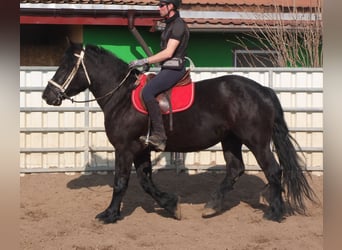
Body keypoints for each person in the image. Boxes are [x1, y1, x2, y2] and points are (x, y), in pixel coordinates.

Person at [129, 0, 190, 152]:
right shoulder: (170, 24)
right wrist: (148, 64)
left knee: (148, 92)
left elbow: (168, 53)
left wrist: (144, 60)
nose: (159, 8)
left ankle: (160, 136)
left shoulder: (178, 25)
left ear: (171, 6)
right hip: (167, 68)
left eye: (162, 5)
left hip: (175, 70)